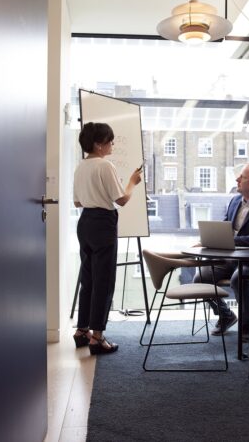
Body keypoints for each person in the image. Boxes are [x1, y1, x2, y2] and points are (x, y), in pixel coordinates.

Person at [72, 122, 142, 355]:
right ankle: (98, 337)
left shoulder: (81, 167)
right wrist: (132, 181)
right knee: (104, 280)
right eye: (110, 141)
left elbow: (78, 202)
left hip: (85, 222)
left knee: (88, 278)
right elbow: (121, 199)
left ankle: (82, 331)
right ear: (99, 144)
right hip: (103, 223)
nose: (112, 144)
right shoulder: (105, 165)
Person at [193, 162, 249, 337]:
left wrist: (231, 241)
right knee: (201, 277)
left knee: (238, 279)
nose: (237, 179)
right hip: (230, 257)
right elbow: (225, 228)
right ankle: (226, 315)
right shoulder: (234, 201)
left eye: (243, 177)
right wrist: (211, 239)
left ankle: (247, 323)